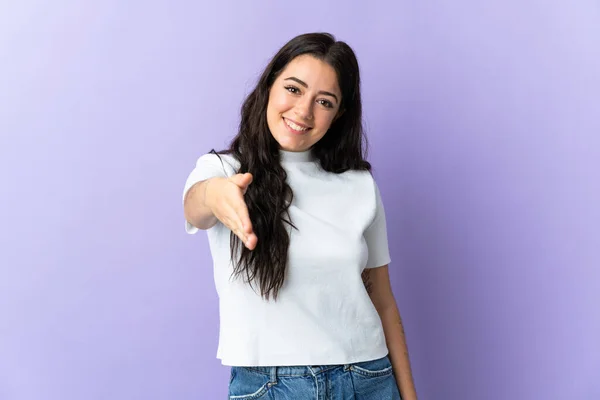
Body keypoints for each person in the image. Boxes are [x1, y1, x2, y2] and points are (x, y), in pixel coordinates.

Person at [183, 32, 417, 400]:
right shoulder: (223, 170)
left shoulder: (359, 185)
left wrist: (409, 395)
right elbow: (196, 208)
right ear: (270, 85)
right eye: (293, 89)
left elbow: (384, 301)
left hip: (368, 379)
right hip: (270, 386)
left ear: (338, 114)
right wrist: (215, 194)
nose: (304, 111)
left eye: (324, 101)